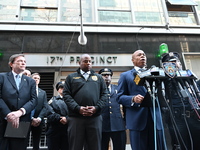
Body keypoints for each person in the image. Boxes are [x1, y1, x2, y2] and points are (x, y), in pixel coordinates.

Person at [117, 50, 164, 150]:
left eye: (144, 55)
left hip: (155, 118)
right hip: (137, 120)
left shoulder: (155, 73)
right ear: (133, 60)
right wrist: (133, 99)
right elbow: (119, 97)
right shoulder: (125, 76)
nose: (142, 56)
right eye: (139, 55)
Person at [63, 54, 108, 150]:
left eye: (90, 61)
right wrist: (78, 108)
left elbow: (104, 95)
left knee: (95, 146)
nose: (88, 63)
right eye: (85, 61)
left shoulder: (99, 78)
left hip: (94, 118)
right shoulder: (71, 77)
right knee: (75, 146)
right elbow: (66, 95)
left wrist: (96, 108)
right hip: (76, 118)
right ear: (79, 63)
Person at [161, 52, 200, 150]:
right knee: (182, 145)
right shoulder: (163, 81)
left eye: (176, 62)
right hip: (177, 119)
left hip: (193, 116)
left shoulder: (189, 77)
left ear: (180, 63)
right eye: (170, 63)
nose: (174, 64)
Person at [0, 54, 37, 150]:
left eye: (24, 61)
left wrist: (19, 113)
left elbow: (33, 100)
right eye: (20, 61)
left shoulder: (30, 82)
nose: (23, 63)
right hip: (3, 120)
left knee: (18, 147)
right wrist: (9, 115)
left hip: (22, 121)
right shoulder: (2, 77)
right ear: (11, 64)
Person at [98, 68, 126, 150]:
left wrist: (125, 120)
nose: (106, 77)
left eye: (109, 75)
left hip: (118, 124)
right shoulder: (96, 89)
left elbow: (124, 104)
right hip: (102, 124)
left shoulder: (118, 88)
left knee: (120, 147)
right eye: (104, 75)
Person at [46, 81, 69, 150]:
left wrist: (67, 119)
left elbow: (75, 113)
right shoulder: (53, 100)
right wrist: (59, 118)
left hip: (67, 130)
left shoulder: (72, 101)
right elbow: (49, 113)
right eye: (61, 87)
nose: (63, 89)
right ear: (58, 90)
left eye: (65, 87)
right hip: (54, 130)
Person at [30, 73, 48, 150]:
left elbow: (45, 106)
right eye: (34, 78)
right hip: (27, 119)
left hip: (39, 121)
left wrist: (39, 118)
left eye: (38, 78)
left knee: (36, 142)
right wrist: (31, 118)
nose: (36, 79)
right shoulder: (26, 90)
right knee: (23, 141)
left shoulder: (43, 92)